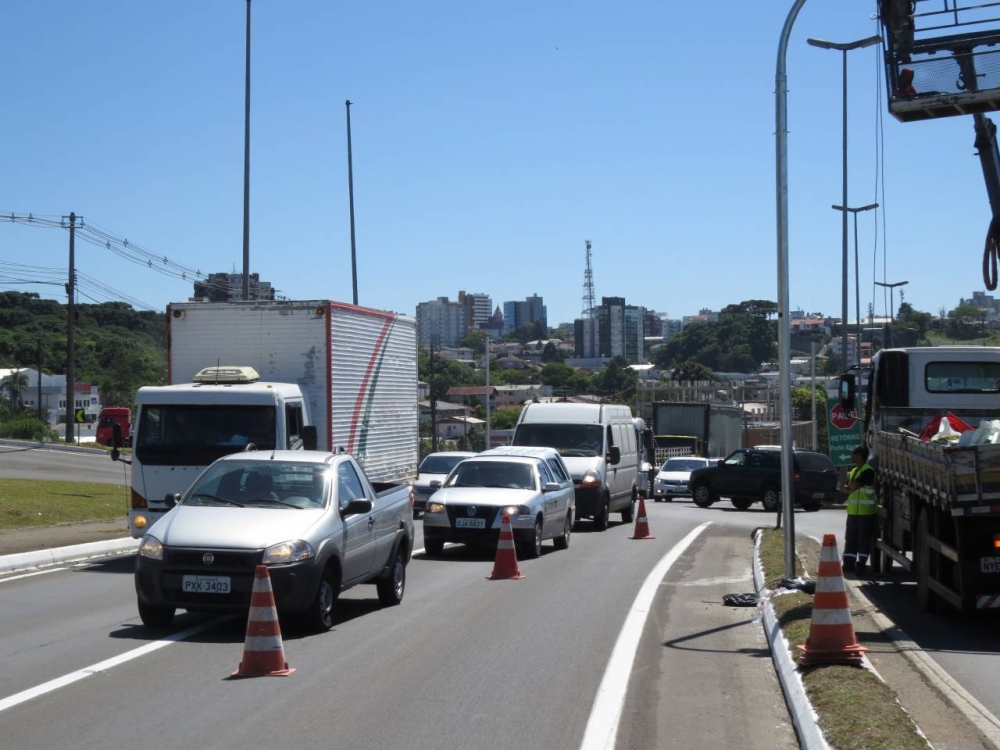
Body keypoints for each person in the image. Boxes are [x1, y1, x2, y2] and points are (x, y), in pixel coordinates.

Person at [843, 445, 878, 575]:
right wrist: (851, 486)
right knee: (850, 539)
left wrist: (851, 486)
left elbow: (853, 485)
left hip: (865, 513)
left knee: (863, 540)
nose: (854, 458)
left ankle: (861, 565)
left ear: (863, 457)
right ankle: (849, 564)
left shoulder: (868, 471)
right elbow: (846, 487)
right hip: (853, 513)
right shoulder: (854, 471)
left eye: (857, 456)